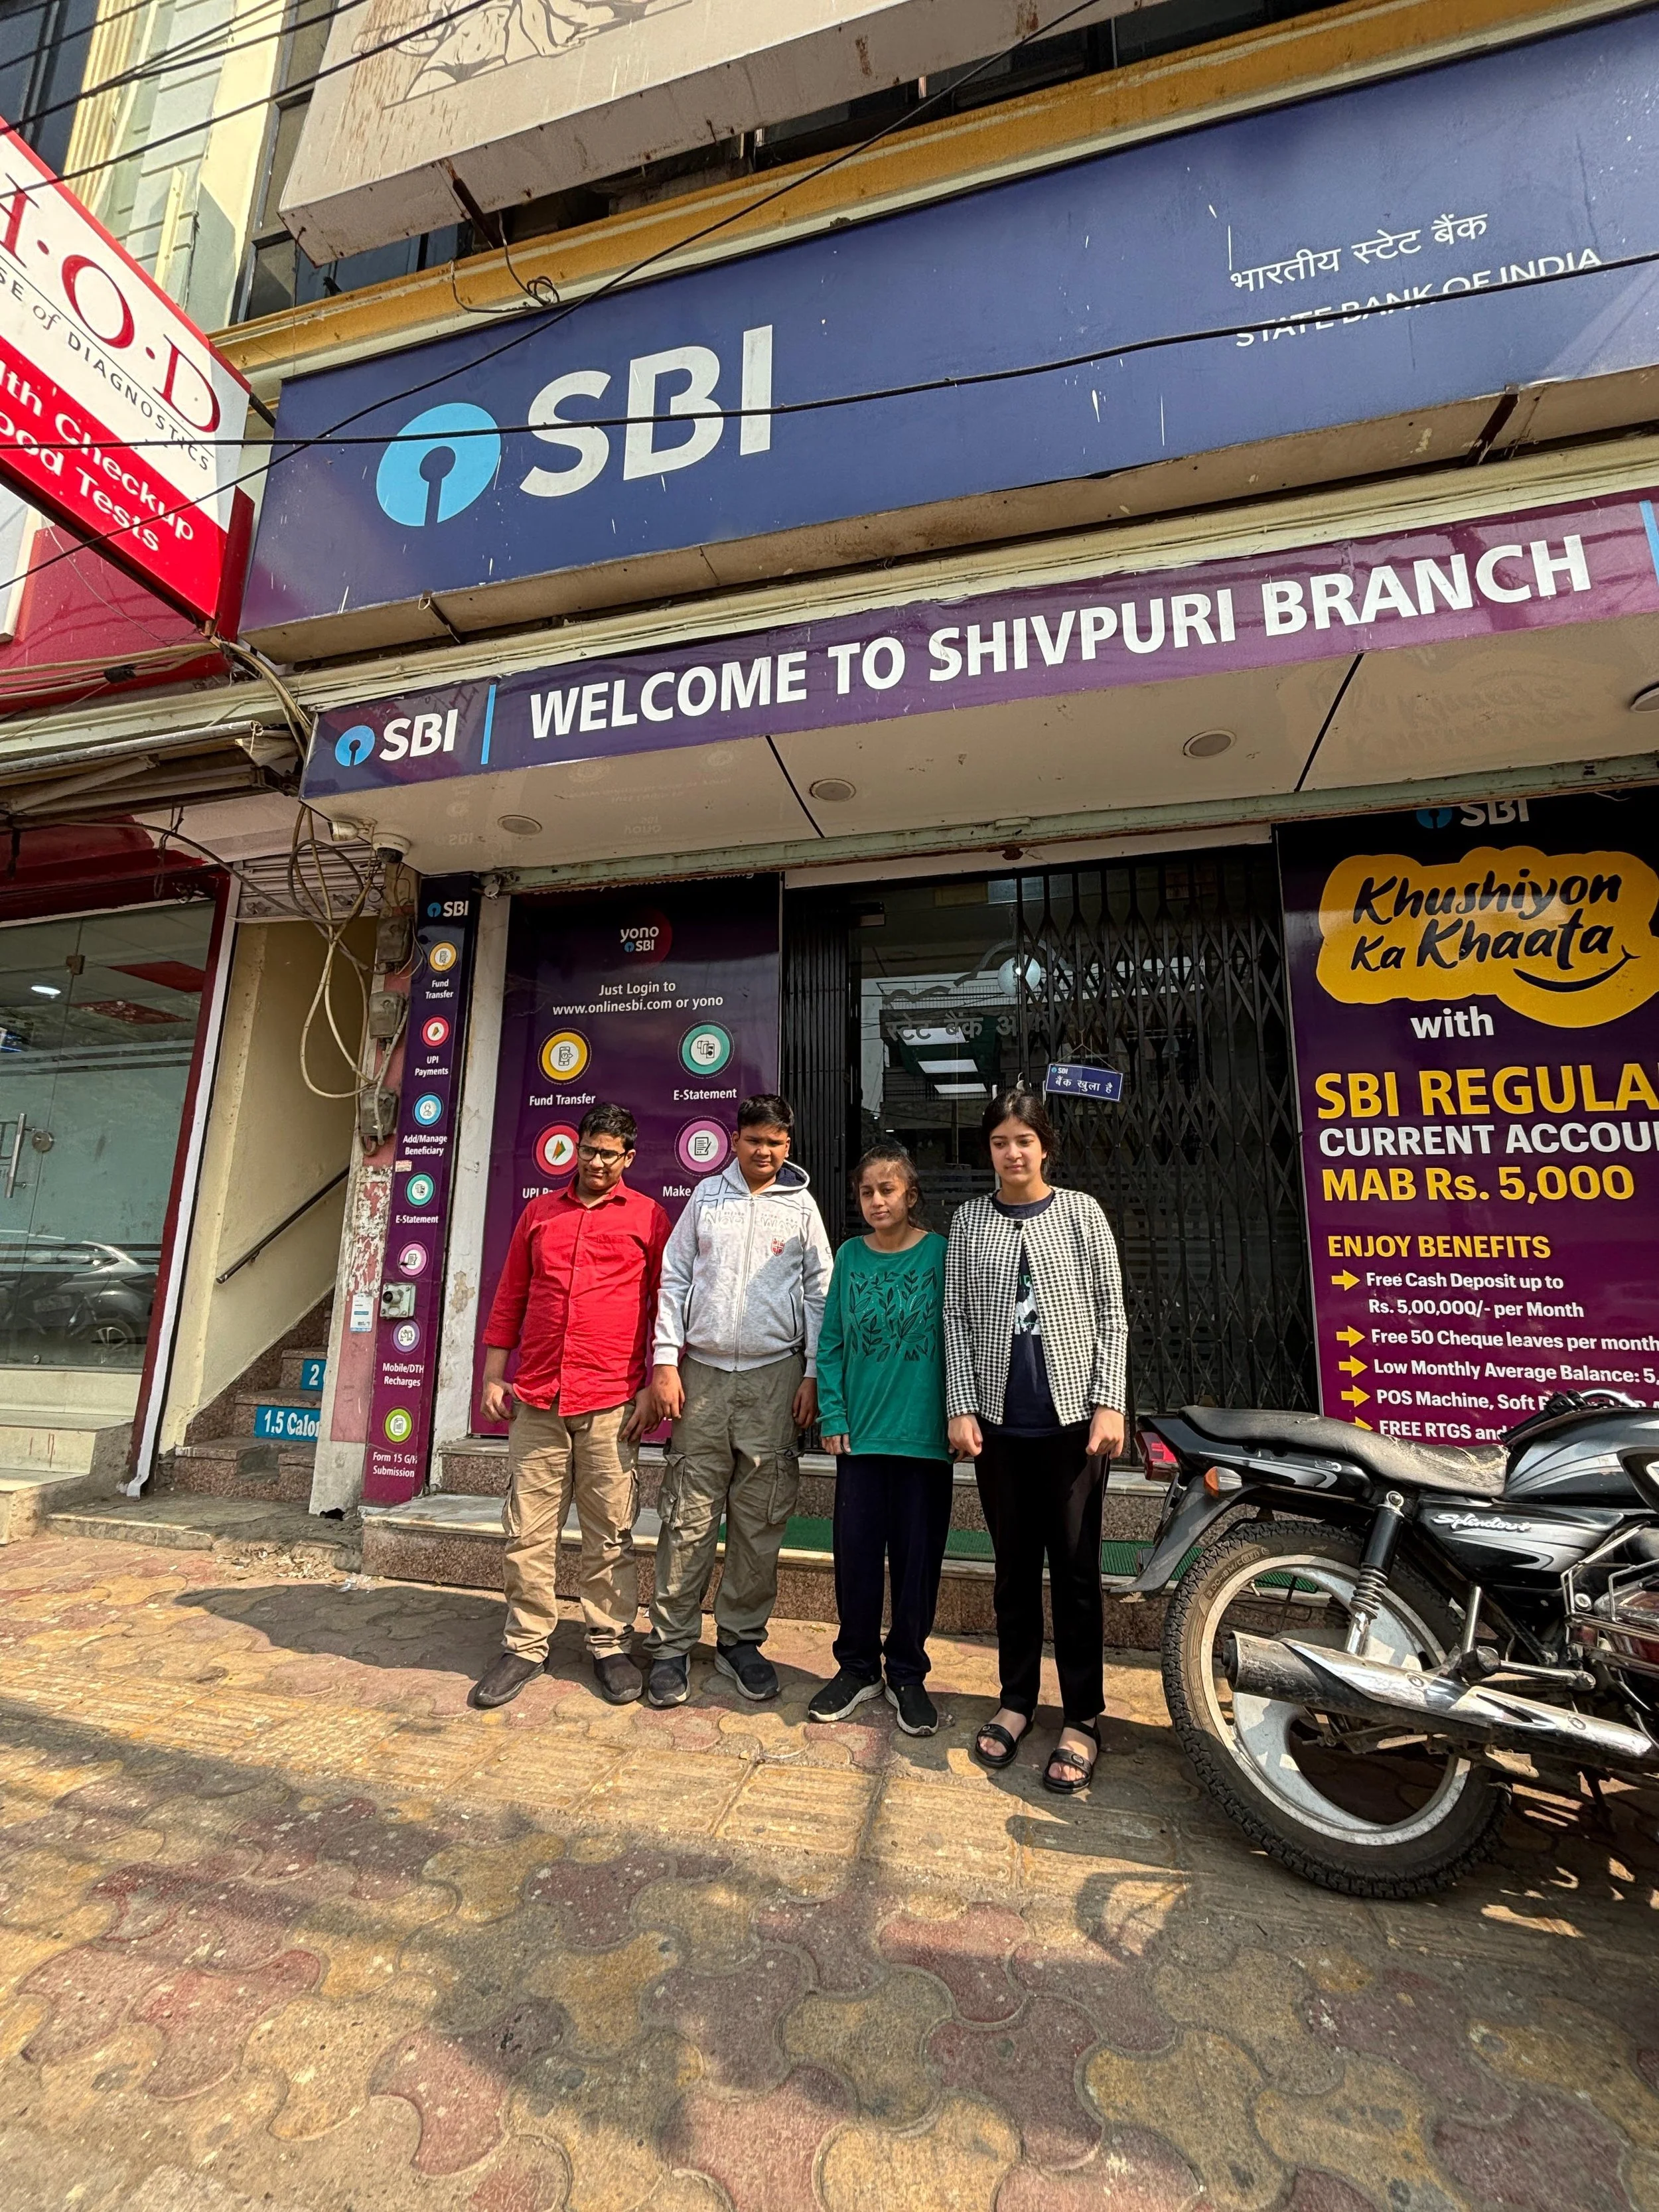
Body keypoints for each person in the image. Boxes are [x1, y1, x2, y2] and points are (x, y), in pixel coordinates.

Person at [944, 1088, 1127, 1793]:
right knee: (1013, 1572)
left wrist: (1109, 1403)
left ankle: (1081, 1716)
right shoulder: (968, 1220)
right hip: (998, 1426)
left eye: (1024, 1140)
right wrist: (962, 1408)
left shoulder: (1081, 1213)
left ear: (1044, 1145)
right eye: (1000, 1142)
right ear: (988, 1151)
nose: (1012, 1153)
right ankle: (1016, 1700)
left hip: (1074, 1429)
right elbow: (954, 1318)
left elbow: (1112, 1315)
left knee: (1077, 1575)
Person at [471, 1102, 669, 1711]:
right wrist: (493, 1375)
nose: (597, 1161)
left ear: (628, 1158)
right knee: (527, 1532)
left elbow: (665, 1304)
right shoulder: (540, 1213)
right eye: (589, 1149)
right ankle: (526, 1643)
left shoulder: (649, 1217)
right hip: (537, 1396)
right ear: (575, 1148)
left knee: (609, 1533)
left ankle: (609, 1642)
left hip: (612, 1398)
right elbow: (511, 1295)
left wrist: (650, 1383)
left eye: (610, 1153)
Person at [642, 1093, 833, 1708]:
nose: (765, 1152)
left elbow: (819, 1295)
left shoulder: (801, 1206)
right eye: (755, 1140)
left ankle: (741, 1641)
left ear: (789, 1145)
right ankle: (671, 1643)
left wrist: (811, 1374)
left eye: (777, 1142)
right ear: (735, 1139)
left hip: (775, 1379)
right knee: (689, 1512)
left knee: (761, 1516)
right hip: (700, 1376)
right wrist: (666, 1361)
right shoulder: (707, 1197)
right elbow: (673, 1277)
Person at [808, 1142, 952, 1737]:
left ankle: (909, 1673)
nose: (876, 1200)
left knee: (918, 1564)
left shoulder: (943, 1254)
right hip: (861, 1440)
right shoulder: (850, 1255)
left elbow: (963, 1338)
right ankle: (858, 1666)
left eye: (887, 1189)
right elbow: (833, 1339)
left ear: (910, 1194)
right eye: (867, 1191)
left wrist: (961, 1414)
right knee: (858, 1560)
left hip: (924, 1439)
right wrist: (832, 1413)